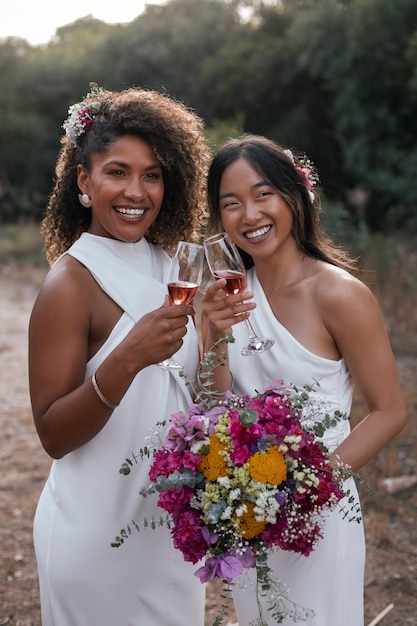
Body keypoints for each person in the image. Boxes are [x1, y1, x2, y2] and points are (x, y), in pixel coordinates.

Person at [200, 134, 407, 625]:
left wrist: (304, 490)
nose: (249, 215)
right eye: (231, 204)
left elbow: (391, 411)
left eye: (262, 194)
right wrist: (211, 332)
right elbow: (215, 401)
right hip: (247, 509)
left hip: (319, 509)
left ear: (293, 195)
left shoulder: (340, 294)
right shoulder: (227, 295)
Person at [28, 83, 211, 626]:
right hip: (96, 539)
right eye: (117, 171)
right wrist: (127, 358)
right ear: (84, 181)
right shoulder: (70, 283)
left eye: (152, 174)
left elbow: (193, 400)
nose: (138, 190)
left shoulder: (174, 268)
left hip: (169, 535)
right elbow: (53, 435)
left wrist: (217, 337)